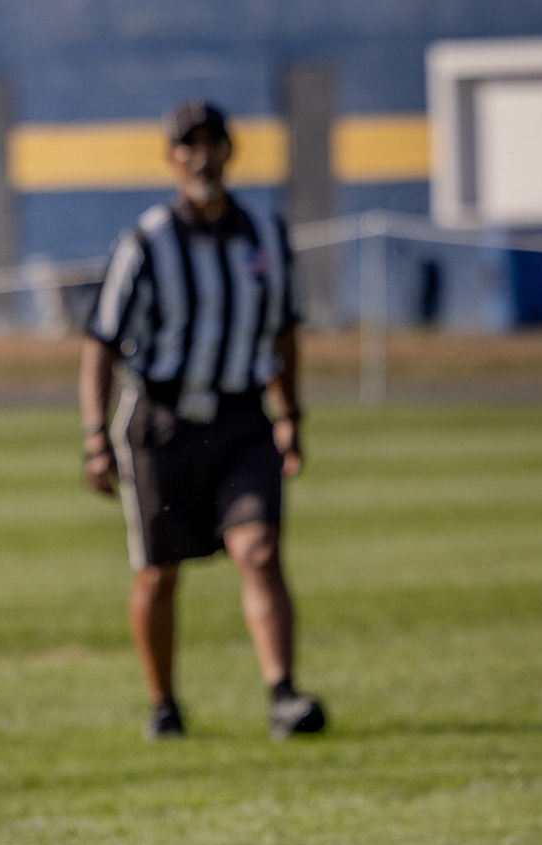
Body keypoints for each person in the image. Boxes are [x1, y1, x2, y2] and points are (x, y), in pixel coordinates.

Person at [79, 100, 326, 742]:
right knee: (159, 571)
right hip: (162, 422)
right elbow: (101, 342)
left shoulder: (266, 234)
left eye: (213, 142)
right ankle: (164, 704)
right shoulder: (147, 241)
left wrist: (290, 413)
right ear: (172, 157)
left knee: (260, 549)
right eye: (189, 144)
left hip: (244, 416)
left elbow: (284, 331)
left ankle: (283, 694)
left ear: (229, 150)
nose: (202, 154)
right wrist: (94, 437)